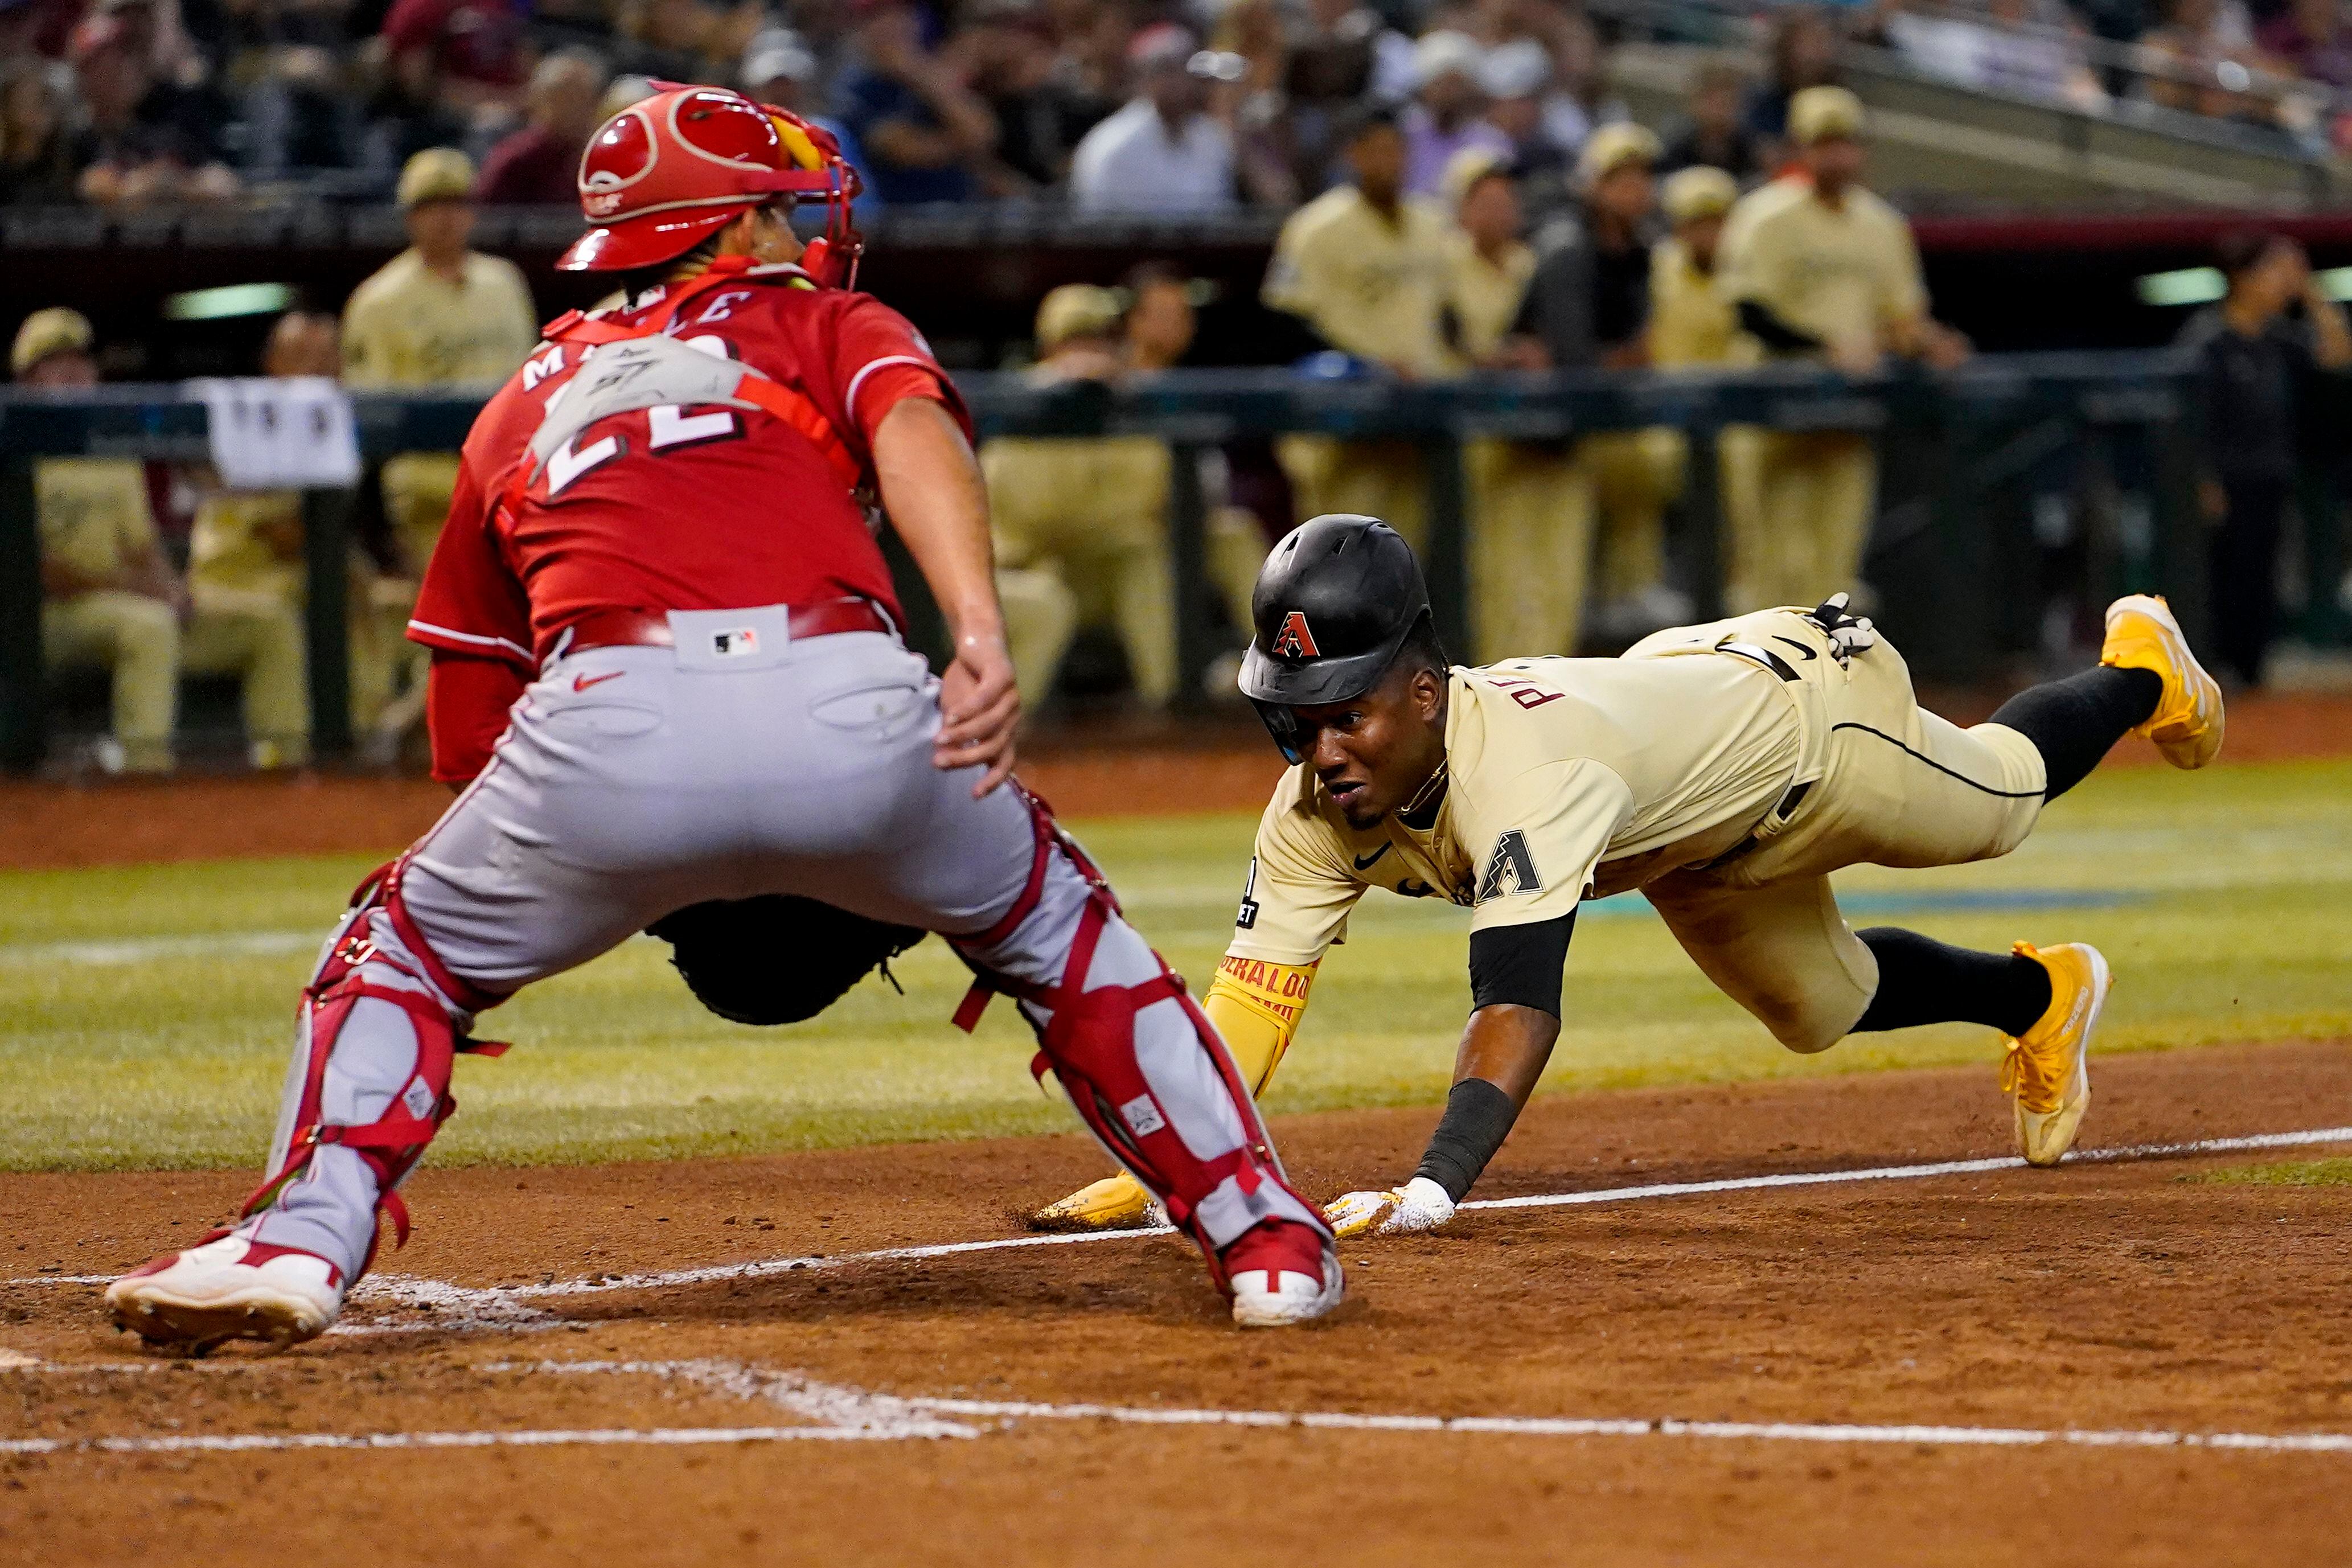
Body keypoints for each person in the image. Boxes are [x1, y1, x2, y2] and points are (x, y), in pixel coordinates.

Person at [105, 87, 1340, 1352]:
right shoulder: (821, 321)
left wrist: (623, 865)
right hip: (854, 699)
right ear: (728, 225)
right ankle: (1263, 1238)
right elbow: (912, 428)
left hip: (604, 718)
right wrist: (975, 632)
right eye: (772, 211)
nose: (790, 232)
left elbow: (472, 718)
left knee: (399, 951)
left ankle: (306, 1240)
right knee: (1061, 932)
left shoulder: (520, 400)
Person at [1033, 516, 2226, 1236]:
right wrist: (1161, 1163)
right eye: (1293, 720)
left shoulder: (1526, 776)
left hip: (1804, 726)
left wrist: (1433, 1188)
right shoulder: (1312, 809)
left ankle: (2138, 668)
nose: (1318, 751)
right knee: (1817, 1009)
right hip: (1682, 827)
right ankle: (2042, 999)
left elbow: (1515, 1007)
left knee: (2002, 802)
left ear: (1420, 689)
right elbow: (1250, 1002)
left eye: (1344, 717)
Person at [15, 308, 309, 773]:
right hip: (42, 623)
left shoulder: (111, 451)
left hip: (126, 607)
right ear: (26, 379)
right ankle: (143, 772)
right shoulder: (15, 449)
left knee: (267, 623)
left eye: (80, 361)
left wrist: (173, 589)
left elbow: (143, 547)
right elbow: (38, 573)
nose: (73, 373)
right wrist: (138, 591)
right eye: (55, 363)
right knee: (148, 625)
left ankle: (285, 768)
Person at [1717, 87, 1969, 613]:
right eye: (1823, 143)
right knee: (1767, 570)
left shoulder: (1881, 224)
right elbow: (1748, 312)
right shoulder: (1765, 215)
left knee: (1837, 571)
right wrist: (1824, 345)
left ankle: (1825, 691)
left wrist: (1928, 341)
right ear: (1800, 149)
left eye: (1846, 143)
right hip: (1771, 413)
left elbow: (1901, 317)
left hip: (1848, 414)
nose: (1837, 155)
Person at [342, 146, 539, 757]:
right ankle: (412, 733)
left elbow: (534, 389)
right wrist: (377, 530)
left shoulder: (504, 283)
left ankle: (419, 729)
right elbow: (369, 423)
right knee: (469, 628)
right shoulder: (380, 301)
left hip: (515, 490)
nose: (446, 219)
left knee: (522, 624)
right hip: (432, 495)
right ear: (410, 217)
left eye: (456, 204)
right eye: (432, 206)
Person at [1507, 122, 1692, 644]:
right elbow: (1575, 362)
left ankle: (1628, 588)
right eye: (1618, 180)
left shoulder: (1641, 251)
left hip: (1590, 427)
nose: (1633, 191)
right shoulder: (1567, 247)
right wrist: (1628, 359)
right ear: (1591, 186)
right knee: (1528, 578)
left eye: (1640, 179)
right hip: (1534, 434)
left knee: (1653, 464)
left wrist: (1631, 359)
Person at [188, 313, 407, 736]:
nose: (320, 368)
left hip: (299, 575)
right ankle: (291, 751)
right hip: (235, 577)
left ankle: (381, 727)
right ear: (273, 364)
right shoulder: (248, 416)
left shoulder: (336, 424)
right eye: (304, 357)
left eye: (329, 358)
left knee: (413, 608)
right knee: (340, 587)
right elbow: (281, 535)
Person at [1262, 105, 1456, 553]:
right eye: (1376, 151)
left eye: (1396, 149)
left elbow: (1448, 318)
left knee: (1407, 566)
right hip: (1344, 425)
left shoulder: (1431, 223)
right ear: (1353, 155)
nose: (1389, 161)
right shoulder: (1315, 227)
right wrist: (1366, 368)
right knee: (1337, 566)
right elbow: (1283, 323)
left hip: (1413, 426)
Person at [984, 284, 1180, 709]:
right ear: (1049, 350)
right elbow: (1038, 518)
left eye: (1102, 341)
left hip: (1093, 571)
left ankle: (1170, 710)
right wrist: (1102, 521)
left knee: (1143, 554)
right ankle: (1005, 741)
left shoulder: (1126, 405)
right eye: (1077, 341)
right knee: (1047, 600)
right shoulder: (1014, 409)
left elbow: (1151, 500)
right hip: (1025, 570)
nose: (1090, 357)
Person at [2176, 231, 2352, 686]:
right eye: (2272, 272)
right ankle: (2207, 675)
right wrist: (2202, 480)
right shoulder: (2207, 339)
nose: (2280, 283)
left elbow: (2336, 352)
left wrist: (2308, 289)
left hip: (2269, 477)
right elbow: (2190, 420)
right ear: (2242, 277)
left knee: (2260, 581)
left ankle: (2248, 673)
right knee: (2220, 581)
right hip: (2221, 482)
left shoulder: (2277, 339)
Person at [836, 0, 999, 205]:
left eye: (900, 15)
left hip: (960, 210)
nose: (891, 25)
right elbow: (905, 150)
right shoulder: (856, 89)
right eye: (877, 17)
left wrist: (916, 72)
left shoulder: (929, 75)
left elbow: (984, 133)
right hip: (895, 219)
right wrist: (964, 144)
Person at [1068, 23, 1236, 215]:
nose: (1180, 82)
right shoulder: (1113, 145)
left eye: (1187, 71)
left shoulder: (1211, 138)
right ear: (1143, 77)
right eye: (1168, 70)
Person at [475, 50, 610, 205]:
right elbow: (486, 219)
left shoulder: (602, 159)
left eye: (583, 98)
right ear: (539, 100)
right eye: (564, 98)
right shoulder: (516, 160)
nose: (573, 109)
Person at [1401, 29, 1510, 198]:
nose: (1448, 93)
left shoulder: (1491, 143)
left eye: (1455, 84)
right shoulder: (1404, 136)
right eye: (1440, 83)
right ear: (1425, 88)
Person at [1659, 61, 1763, 182]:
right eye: (1711, 100)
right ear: (1694, 103)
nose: (1719, 109)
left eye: (1727, 101)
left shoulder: (1751, 150)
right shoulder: (1677, 148)